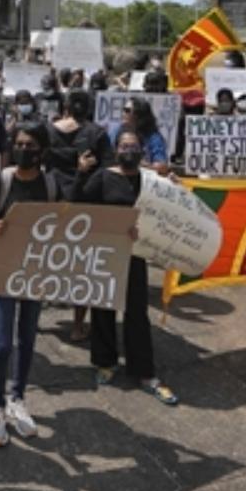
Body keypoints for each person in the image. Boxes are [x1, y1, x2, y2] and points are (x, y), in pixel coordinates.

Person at [74, 128, 178, 406]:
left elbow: (167, 212)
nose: (128, 151)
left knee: (136, 312)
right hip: (106, 252)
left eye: (133, 147)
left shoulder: (151, 181)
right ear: (116, 150)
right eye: (123, 146)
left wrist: (174, 187)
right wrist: (81, 173)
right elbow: (79, 205)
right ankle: (105, 363)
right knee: (103, 308)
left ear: (142, 151)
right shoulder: (103, 177)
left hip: (136, 255)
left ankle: (143, 371)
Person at [0, 123, 57, 446]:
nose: (23, 149)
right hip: (4, 270)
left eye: (30, 144)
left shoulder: (52, 185)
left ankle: (17, 399)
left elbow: (68, 227)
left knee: (27, 338)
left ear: (41, 150)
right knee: (2, 344)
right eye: (19, 143)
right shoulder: (2, 180)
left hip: (36, 272)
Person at [45, 89, 113, 342]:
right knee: (82, 265)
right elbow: (107, 168)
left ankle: (33, 312)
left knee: (45, 258)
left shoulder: (49, 130)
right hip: (85, 202)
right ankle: (77, 326)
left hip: (52, 199)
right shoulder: (97, 133)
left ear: (65, 106)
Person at [114, 97, 167, 172]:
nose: (123, 113)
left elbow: (162, 167)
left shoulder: (153, 138)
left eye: (127, 110)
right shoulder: (116, 131)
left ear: (137, 115)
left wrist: (135, 162)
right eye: (123, 109)